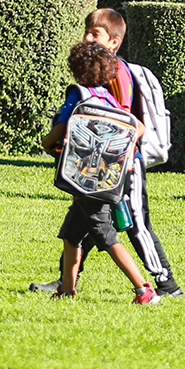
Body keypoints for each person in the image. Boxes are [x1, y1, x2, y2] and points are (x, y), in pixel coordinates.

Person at [29, 10, 181, 297]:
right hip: (98, 169)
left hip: (120, 167)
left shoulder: (117, 75)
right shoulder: (100, 75)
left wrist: (120, 151)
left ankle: (165, 284)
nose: (87, 37)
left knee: (133, 222)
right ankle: (66, 283)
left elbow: (125, 122)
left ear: (113, 42)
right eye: (86, 31)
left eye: (94, 33)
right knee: (81, 225)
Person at [41, 41, 161, 304]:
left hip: (85, 179)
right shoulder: (109, 97)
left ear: (75, 69)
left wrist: (47, 143)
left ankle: (144, 289)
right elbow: (137, 127)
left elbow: (61, 130)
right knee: (71, 236)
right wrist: (122, 151)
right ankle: (67, 288)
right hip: (107, 177)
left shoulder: (78, 95)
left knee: (107, 237)